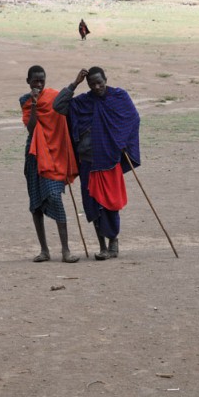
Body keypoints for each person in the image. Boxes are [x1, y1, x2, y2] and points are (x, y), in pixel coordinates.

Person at [53, 67, 140, 260]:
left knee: (110, 205)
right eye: (92, 84)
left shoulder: (119, 97)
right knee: (93, 205)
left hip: (110, 161)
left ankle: (113, 243)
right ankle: (102, 247)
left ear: (106, 79)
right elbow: (58, 106)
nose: (97, 86)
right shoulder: (83, 102)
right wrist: (75, 83)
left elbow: (132, 119)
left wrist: (122, 142)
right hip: (88, 162)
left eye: (100, 82)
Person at [21, 65, 80, 263]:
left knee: (55, 196)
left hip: (54, 154)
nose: (39, 84)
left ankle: (65, 250)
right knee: (35, 204)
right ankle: (44, 250)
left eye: (42, 80)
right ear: (28, 81)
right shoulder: (26, 101)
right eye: (35, 80)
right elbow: (31, 128)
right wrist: (35, 104)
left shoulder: (54, 96)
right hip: (34, 155)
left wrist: (76, 82)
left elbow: (65, 100)